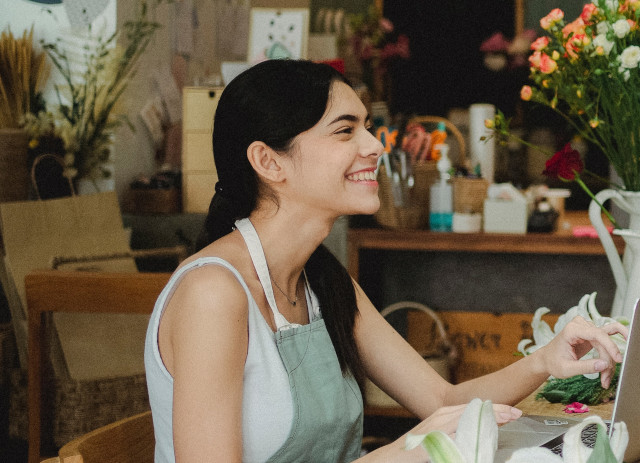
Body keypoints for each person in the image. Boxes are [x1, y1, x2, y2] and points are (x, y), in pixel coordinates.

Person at [144, 59, 627, 463]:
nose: (375, 146)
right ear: (270, 162)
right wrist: (401, 452)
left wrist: (546, 359)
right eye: (344, 131)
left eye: (368, 129)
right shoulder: (214, 293)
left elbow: (440, 400)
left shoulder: (322, 281)